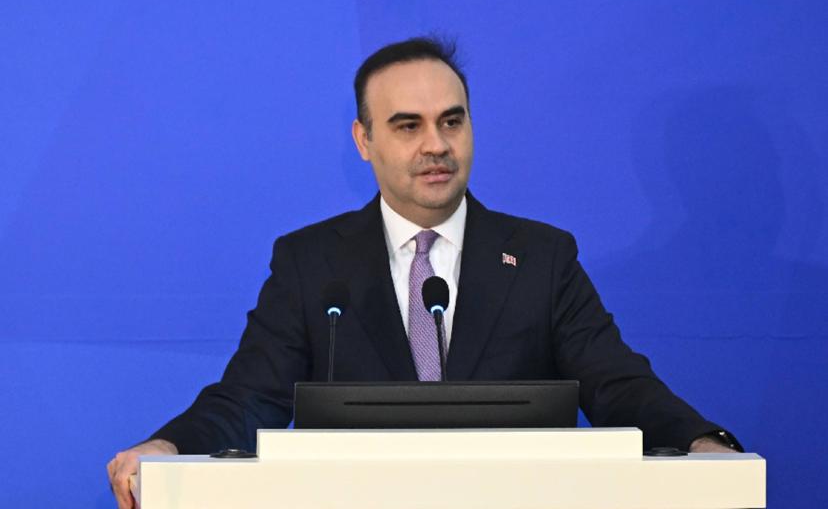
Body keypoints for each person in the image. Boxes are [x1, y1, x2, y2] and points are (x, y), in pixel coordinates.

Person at [107, 37, 740, 508]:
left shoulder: (542, 257)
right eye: (407, 126)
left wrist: (699, 441)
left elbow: (617, 383)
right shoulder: (311, 263)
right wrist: (168, 447)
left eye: (451, 121)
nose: (435, 144)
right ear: (364, 140)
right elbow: (250, 396)